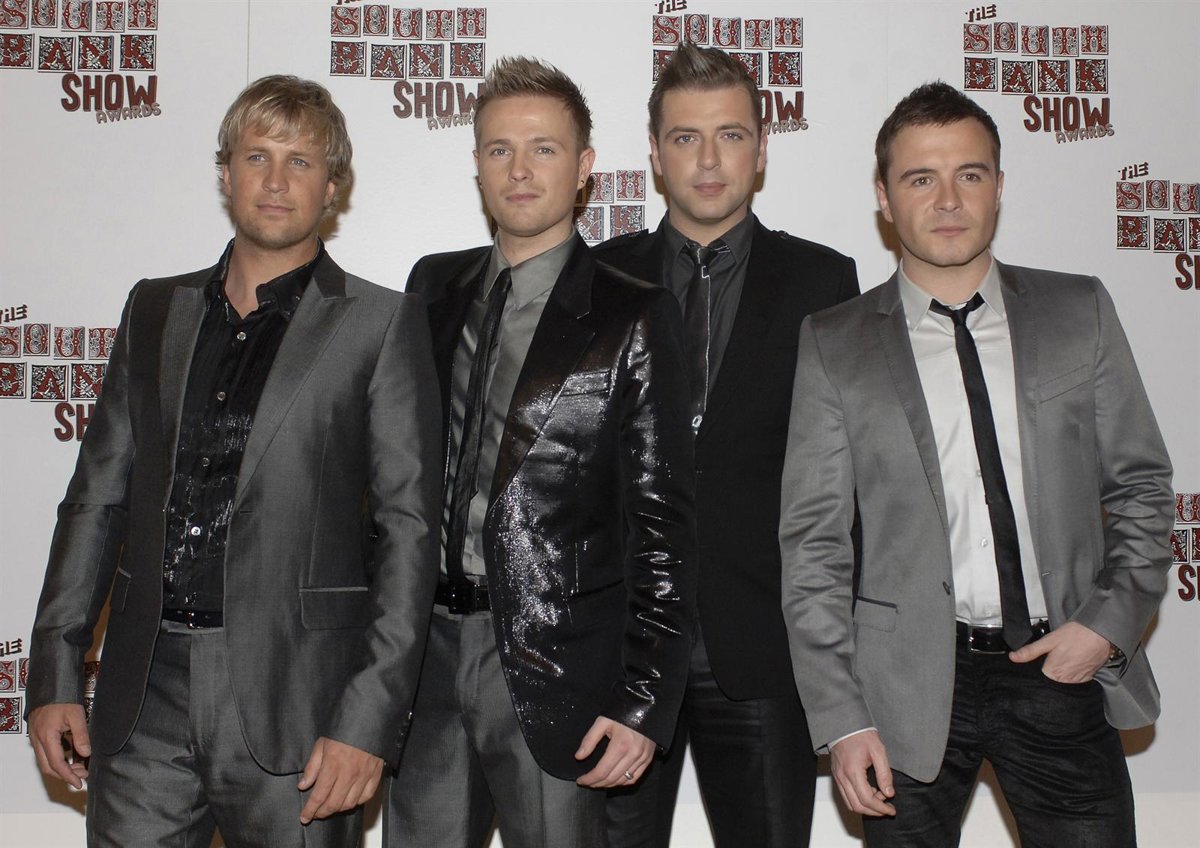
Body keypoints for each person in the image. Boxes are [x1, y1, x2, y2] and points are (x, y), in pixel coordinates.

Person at [26, 75, 442, 847]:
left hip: (301, 707)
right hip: (144, 695)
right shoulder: (154, 308)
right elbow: (96, 500)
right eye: (257, 157)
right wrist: (54, 670)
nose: (276, 180)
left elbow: (409, 535)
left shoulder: (381, 324)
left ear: (333, 186)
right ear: (226, 173)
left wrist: (368, 718)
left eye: (300, 161)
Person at [780, 81, 1174, 847]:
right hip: (902, 689)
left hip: (1060, 666)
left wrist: (1106, 626)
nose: (948, 199)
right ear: (884, 198)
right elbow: (813, 545)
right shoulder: (835, 343)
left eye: (970, 174)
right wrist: (842, 717)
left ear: (998, 186)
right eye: (920, 178)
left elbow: (1142, 487)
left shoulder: (1078, 311)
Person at [384, 56, 697, 848]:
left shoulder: (634, 313)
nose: (520, 170)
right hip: (421, 655)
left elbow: (663, 524)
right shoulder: (430, 290)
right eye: (500, 149)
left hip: (558, 663)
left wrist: (644, 701)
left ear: (585, 167)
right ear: (477, 163)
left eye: (544, 149)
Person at [594, 43, 859, 848]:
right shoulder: (598, 278)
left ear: (763, 148)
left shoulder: (822, 283)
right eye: (686, 137)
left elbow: (848, 482)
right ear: (654, 152)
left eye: (731, 135)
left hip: (763, 648)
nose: (709, 160)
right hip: (617, 652)